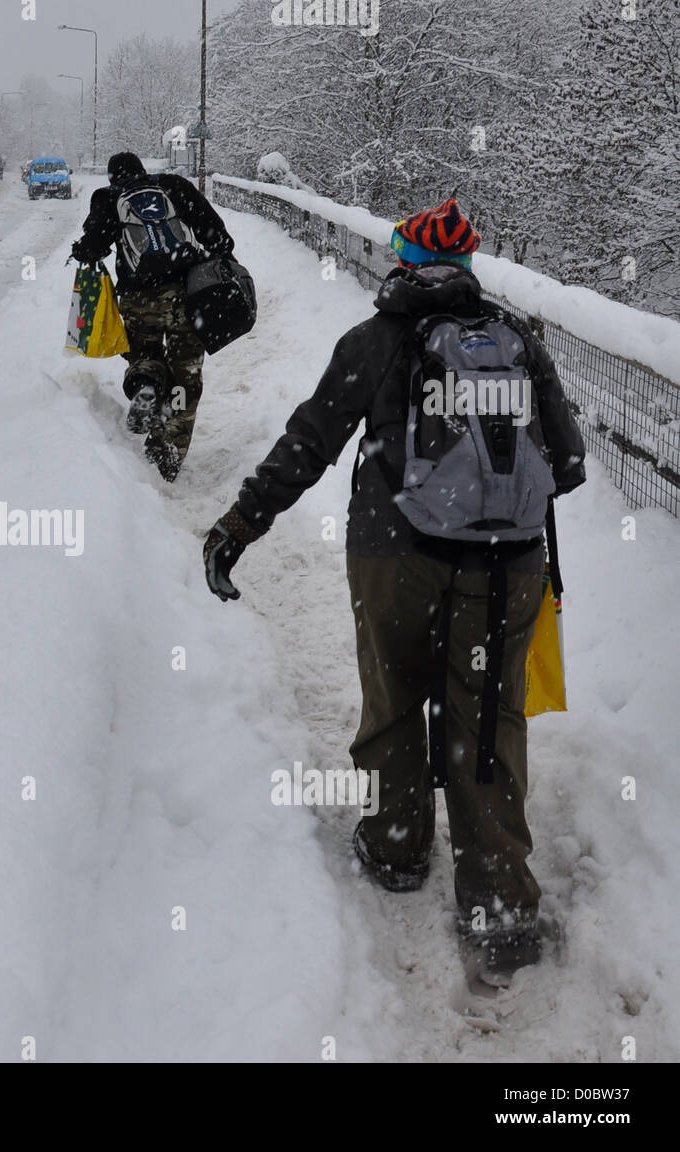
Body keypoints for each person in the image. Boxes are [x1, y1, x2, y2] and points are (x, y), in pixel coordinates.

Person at [202, 199, 587, 983]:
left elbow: (309, 440)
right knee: (488, 721)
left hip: (393, 556)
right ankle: (501, 907)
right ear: (472, 267)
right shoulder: (518, 343)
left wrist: (241, 524)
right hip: (506, 567)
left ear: (401, 261)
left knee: (395, 696)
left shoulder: (375, 342)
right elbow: (570, 466)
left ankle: (399, 844)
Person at [70, 151, 235, 480]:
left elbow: (95, 246)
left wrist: (82, 250)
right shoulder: (175, 186)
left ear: (112, 177)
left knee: (143, 354)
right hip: (186, 299)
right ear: (144, 171)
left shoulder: (109, 197)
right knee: (184, 376)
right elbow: (217, 235)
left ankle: (146, 383)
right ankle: (167, 451)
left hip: (137, 301)